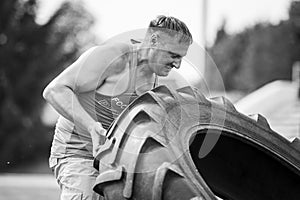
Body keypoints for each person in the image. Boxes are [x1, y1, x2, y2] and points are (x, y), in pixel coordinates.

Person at [43, 15, 193, 200]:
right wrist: (91, 126)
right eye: (174, 55)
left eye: (181, 58)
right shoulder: (115, 57)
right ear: (154, 40)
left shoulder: (155, 86)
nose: (177, 64)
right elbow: (54, 90)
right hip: (77, 154)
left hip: (113, 164)